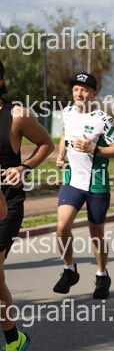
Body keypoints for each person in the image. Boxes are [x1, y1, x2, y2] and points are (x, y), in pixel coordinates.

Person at [53, 73, 114, 300]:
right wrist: (60, 155)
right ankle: (69, 269)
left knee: (96, 233)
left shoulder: (103, 119)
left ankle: (102, 275)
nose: (79, 93)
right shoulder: (67, 112)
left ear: (94, 94)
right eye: (76, 89)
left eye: (84, 89)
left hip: (97, 184)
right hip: (72, 181)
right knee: (62, 227)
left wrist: (93, 149)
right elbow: (65, 135)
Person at [0, 61, 54, 350]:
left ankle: (13, 340)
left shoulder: (17, 115)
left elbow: (46, 143)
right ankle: (14, 338)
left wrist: (24, 167)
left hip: (7, 203)